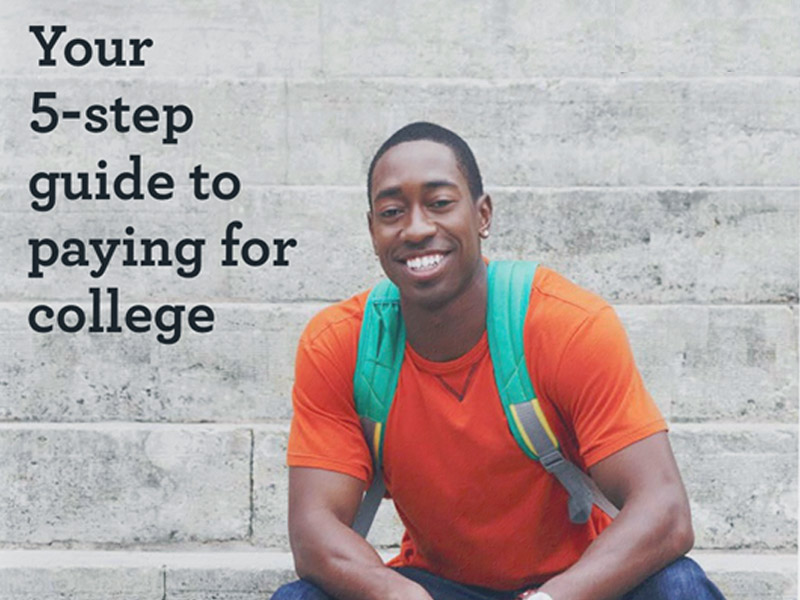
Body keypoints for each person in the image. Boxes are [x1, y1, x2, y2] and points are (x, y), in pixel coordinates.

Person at [274, 122, 726, 600]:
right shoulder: (342, 344)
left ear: (482, 214)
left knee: (680, 588)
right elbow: (314, 530)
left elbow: (665, 510)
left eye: (440, 203)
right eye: (392, 211)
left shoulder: (565, 326)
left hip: (577, 584)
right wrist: (397, 595)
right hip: (437, 588)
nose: (417, 227)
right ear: (372, 230)